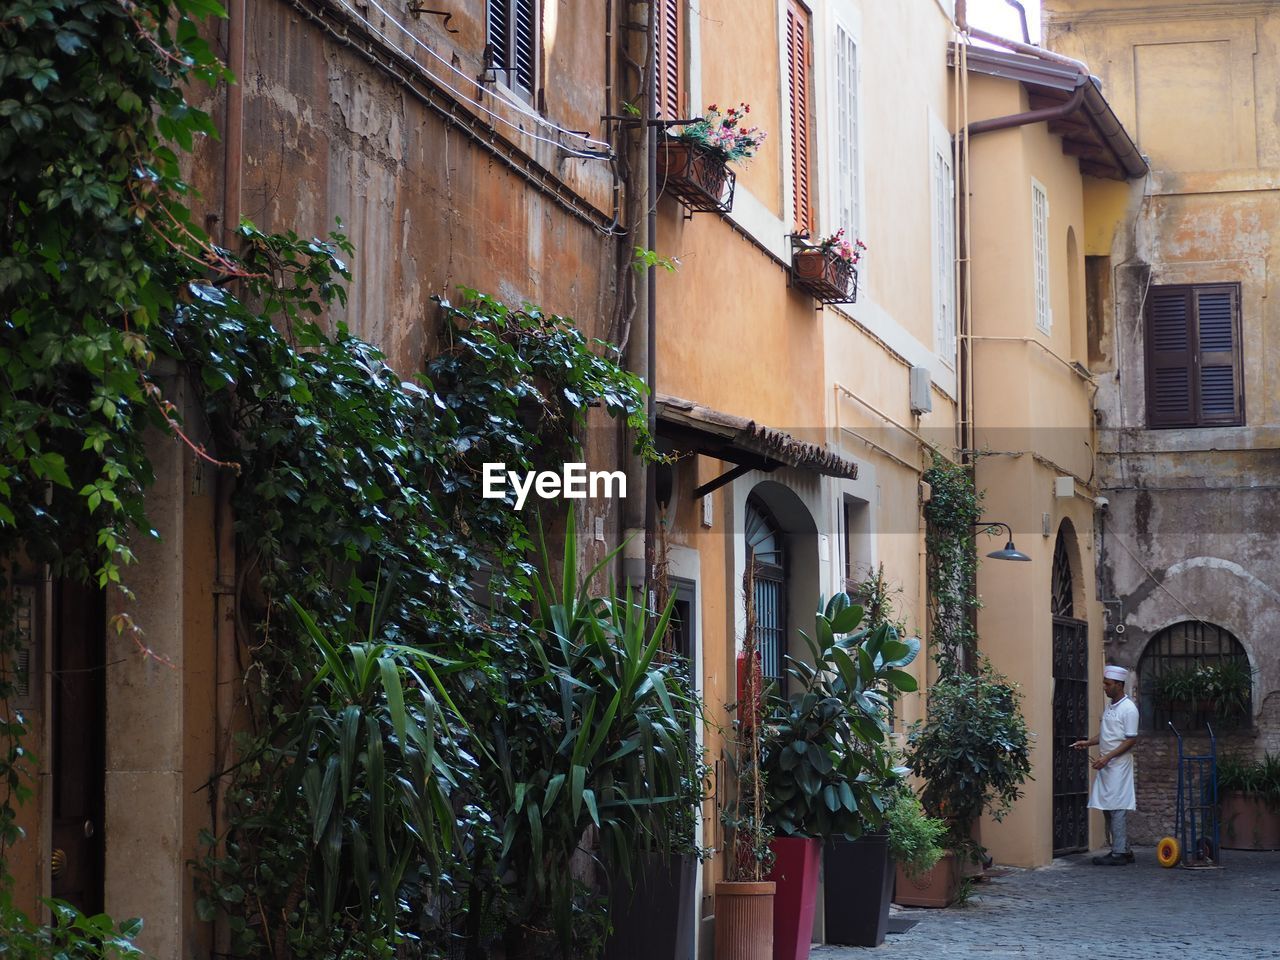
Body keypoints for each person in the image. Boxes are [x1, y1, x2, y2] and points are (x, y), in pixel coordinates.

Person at [1071, 664, 1139, 865]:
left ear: (1119, 685)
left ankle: (1119, 853)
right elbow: (1106, 734)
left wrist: (1107, 757)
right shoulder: (1110, 707)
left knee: (1117, 807)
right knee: (1107, 807)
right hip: (1107, 765)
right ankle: (1122, 848)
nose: (1104, 687)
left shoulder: (1129, 709)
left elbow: (1130, 740)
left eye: (1108, 684)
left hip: (1118, 765)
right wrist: (1088, 742)